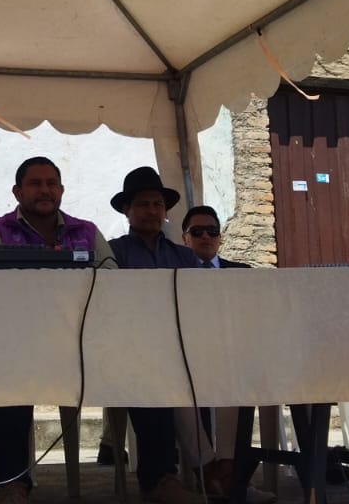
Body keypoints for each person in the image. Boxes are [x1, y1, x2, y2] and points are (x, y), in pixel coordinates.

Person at [0, 157, 116, 504]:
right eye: (35, 184)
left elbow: (113, 281)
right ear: (17, 191)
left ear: (61, 190)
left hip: (81, 346)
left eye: (51, 183)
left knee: (152, 371)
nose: (45, 190)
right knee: (7, 377)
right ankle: (12, 483)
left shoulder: (87, 232)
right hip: (16, 346)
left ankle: (160, 477)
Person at [101, 166, 198, 504]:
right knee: (149, 379)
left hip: (178, 349)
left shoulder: (184, 256)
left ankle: (214, 472)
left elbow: (197, 304)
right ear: (127, 211)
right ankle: (160, 478)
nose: (152, 211)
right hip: (130, 350)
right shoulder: (113, 252)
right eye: (143, 204)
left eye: (158, 204)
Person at [173, 205, 275, 503]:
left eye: (212, 231)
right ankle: (210, 471)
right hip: (189, 361)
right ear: (184, 238)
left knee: (233, 385)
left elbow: (256, 320)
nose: (205, 236)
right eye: (197, 232)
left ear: (220, 237)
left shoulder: (242, 274)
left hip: (232, 361)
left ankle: (226, 474)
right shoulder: (174, 275)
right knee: (176, 394)